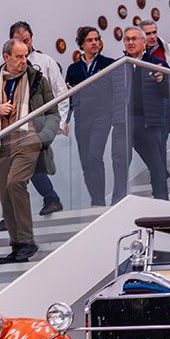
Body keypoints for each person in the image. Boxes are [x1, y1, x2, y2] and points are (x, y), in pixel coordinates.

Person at [0, 39, 60, 264]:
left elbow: (53, 112)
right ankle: (18, 246)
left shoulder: (37, 80)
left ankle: (27, 241)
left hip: (29, 140)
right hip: (2, 144)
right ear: (6, 57)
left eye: (25, 56)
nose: (23, 61)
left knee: (15, 183)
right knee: (5, 195)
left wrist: (43, 137)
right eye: (19, 56)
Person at [1, 21, 67, 220]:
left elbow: (61, 93)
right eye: (19, 41)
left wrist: (59, 124)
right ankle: (49, 199)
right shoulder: (3, 63)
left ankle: (47, 200)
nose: (24, 45)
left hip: (38, 122)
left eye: (26, 40)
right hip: (13, 124)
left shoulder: (45, 61)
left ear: (32, 39)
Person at [65, 26, 116, 207]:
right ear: (82, 44)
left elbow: (107, 89)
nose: (94, 42)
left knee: (95, 156)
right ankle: (95, 200)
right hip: (81, 118)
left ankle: (99, 201)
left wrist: (80, 90)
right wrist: (65, 121)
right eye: (89, 40)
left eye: (96, 39)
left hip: (102, 115)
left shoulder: (109, 64)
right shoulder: (72, 69)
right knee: (86, 161)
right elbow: (69, 97)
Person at [120, 26, 170, 199]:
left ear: (143, 42)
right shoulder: (119, 66)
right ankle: (118, 201)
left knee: (156, 164)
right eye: (127, 39)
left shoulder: (157, 63)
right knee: (120, 163)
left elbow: (169, 91)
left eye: (134, 38)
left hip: (150, 122)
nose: (130, 42)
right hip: (126, 122)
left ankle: (162, 200)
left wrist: (162, 80)